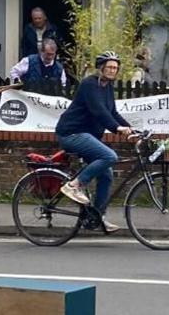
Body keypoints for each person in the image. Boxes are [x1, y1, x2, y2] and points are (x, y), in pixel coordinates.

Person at [56, 51, 133, 232]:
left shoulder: (107, 88)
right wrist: (116, 128)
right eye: (109, 67)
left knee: (106, 175)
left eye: (115, 68)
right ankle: (73, 186)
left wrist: (130, 129)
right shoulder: (89, 85)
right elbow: (99, 111)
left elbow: (112, 112)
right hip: (71, 133)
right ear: (101, 68)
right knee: (109, 156)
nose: (113, 70)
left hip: (87, 135)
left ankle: (97, 217)